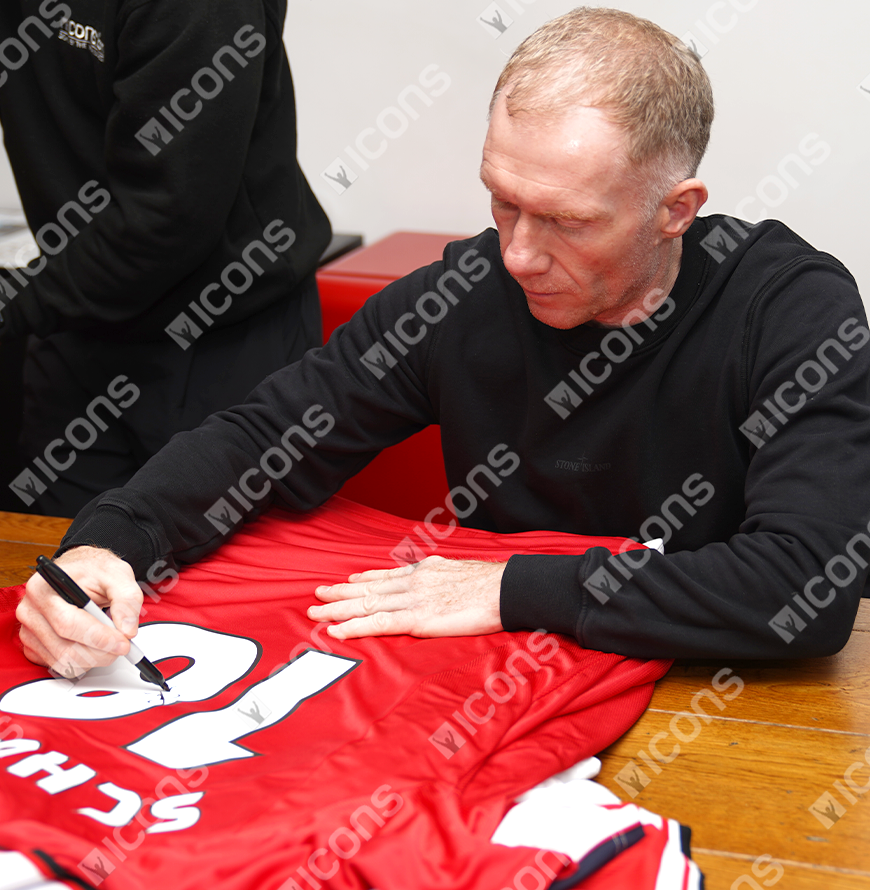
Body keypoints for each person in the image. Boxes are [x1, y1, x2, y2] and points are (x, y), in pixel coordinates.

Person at [15, 8, 870, 678]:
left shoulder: (792, 309)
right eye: (502, 201)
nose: (520, 253)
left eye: (568, 221)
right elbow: (260, 438)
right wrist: (108, 542)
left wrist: (511, 589)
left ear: (676, 209)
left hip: (713, 700)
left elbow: (805, 587)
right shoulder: (466, 295)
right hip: (495, 686)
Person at [0, 1, 331, 516]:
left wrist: (15, 302)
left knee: (208, 584)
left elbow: (167, 218)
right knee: (53, 575)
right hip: (77, 321)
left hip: (218, 335)